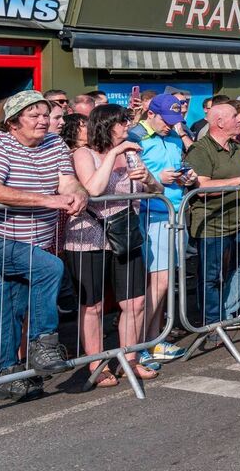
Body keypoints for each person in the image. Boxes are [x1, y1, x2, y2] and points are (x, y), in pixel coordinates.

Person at [0, 91, 87, 402]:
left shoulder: (54, 144)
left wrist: (77, 194)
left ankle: (6, 373)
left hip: (36, 238)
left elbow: (67, 180)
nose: (43, 120)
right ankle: (43, 344)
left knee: (10, 304)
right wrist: (48, 200)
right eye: (33, 115)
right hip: (1, 236)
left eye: (45, 114)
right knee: (51, 268)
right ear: (13, 122)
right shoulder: (0, 145)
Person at [66, 104, 163, 386]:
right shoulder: (83, 154)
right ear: (106, 125)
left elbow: (156, 192)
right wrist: (113, 155)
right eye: (122, 123)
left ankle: (129, 359)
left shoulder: (131, 153)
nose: (127, 128)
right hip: (88, 237)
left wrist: (148, 179)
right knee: (93, 306)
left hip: (125, 235)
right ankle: (96, 364)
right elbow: (93, 189)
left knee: (135, 301)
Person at [136, 93, 195, 362]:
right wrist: (156, 177)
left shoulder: (172, 136)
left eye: (175, 120)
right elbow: (128, 172)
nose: (170, 125)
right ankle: (141, 345)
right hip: (151, 215)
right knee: (157, 283)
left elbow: (175, 166)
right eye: (166, 120)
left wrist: (186, 176)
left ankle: (155, 339)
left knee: (165, 281)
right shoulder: (135, 136)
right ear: (151, 113)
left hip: (176, 211)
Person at [185, 102, 240, 326]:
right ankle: (212, 323)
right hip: (213, 222)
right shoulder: (200, 150)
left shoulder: (239, 148)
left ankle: (230, 308)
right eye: (235, 116)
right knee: (211, 276)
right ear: (220, 122)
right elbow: (203, 188)